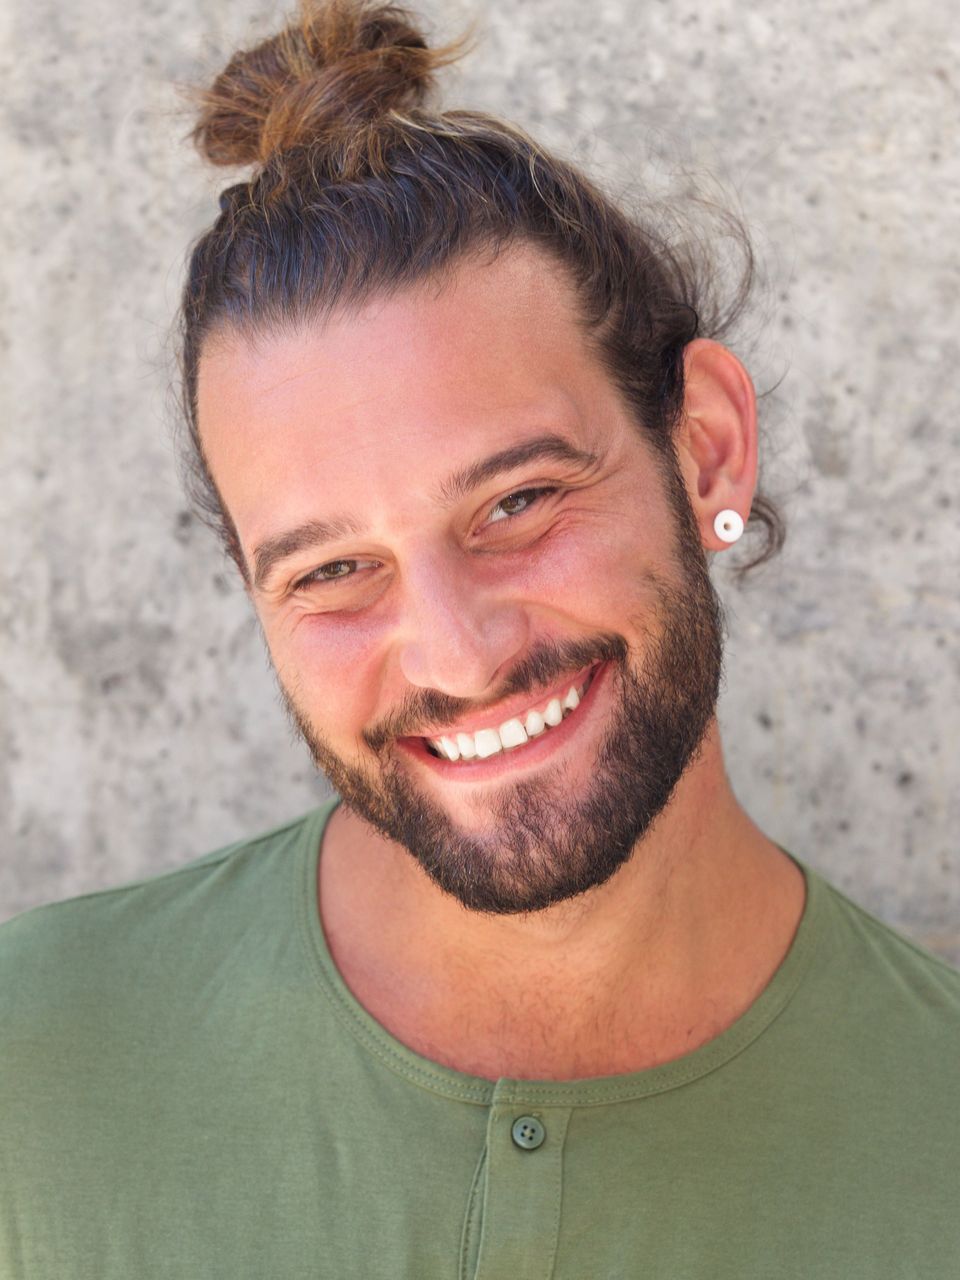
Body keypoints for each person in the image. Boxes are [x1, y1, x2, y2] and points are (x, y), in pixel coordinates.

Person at [1, 1, 957, 1275]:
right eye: (334, 570)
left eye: (517, 502)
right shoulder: (33, 1065)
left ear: (707, 443)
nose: (454, 655)